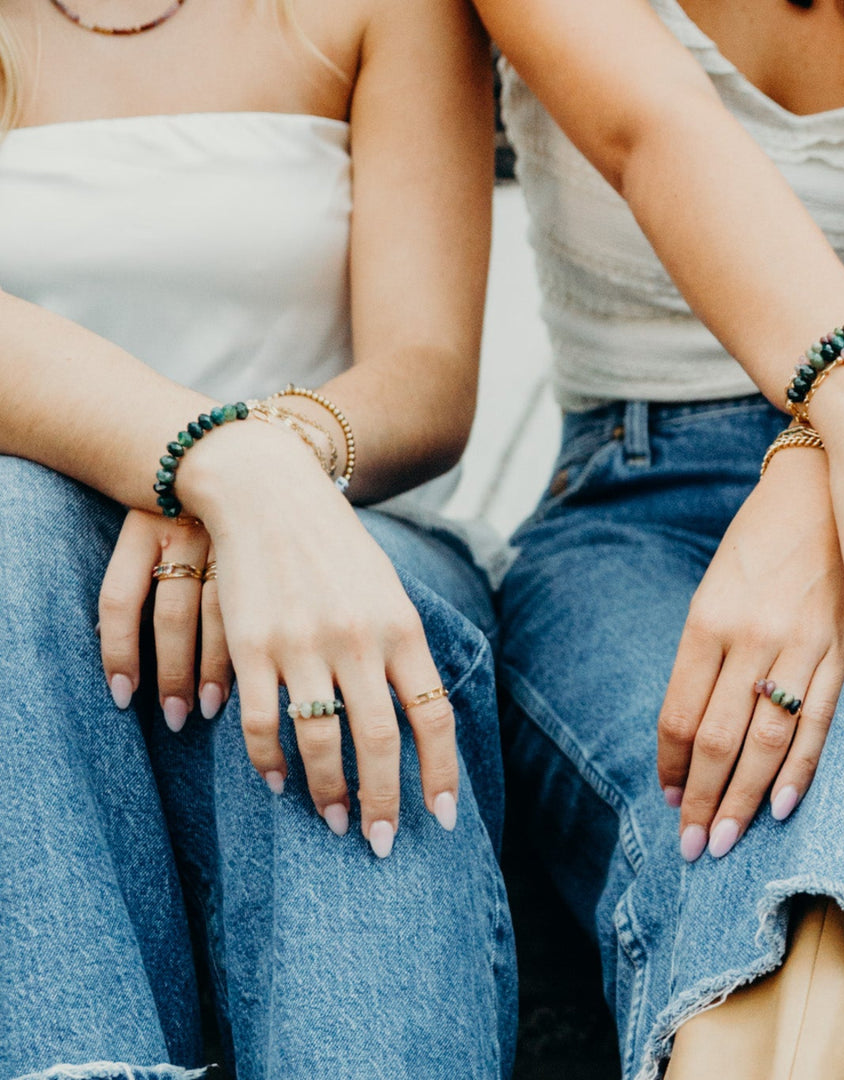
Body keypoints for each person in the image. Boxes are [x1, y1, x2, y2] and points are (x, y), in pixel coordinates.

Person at [473, 0, 844, 1076]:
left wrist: (827, 473)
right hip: (631, 506)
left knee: (836, 802)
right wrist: (843, 443)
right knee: (717, 817)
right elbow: (654, 128)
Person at [0, 1, 515, 1077]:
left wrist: (281, 470)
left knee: (327, 625)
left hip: (347, 508)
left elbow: (425, 368)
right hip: (39, 573)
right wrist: (217, 466)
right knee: (11, 528)